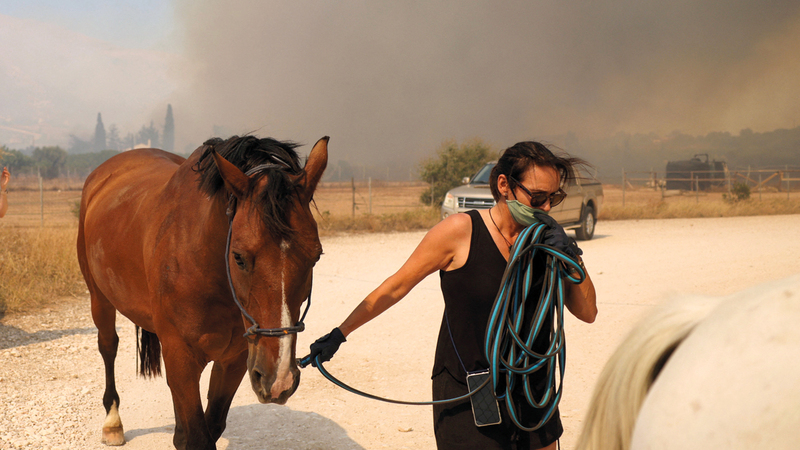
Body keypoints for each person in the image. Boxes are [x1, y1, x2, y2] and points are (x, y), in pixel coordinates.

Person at [307, 142, 597, 450]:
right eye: (537, 197)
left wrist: (572, 257)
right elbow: (396, 286)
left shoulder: (548, 243)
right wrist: (340, 333)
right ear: (504, 185)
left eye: (554, 198)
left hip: (532, 389)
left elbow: (588, 313)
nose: (547, 208)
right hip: (470, 390)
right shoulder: (460, 232)